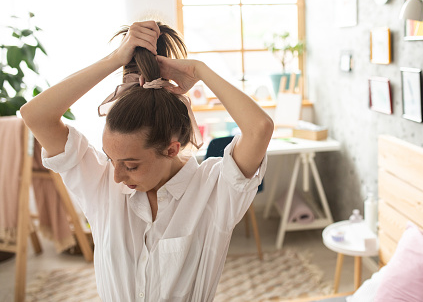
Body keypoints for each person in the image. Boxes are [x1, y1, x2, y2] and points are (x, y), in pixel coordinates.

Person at [20, 20, 274, 301]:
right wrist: (114, 60)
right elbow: (35, 116)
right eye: (110, 159)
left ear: (171, 149)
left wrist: (199, 71)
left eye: (130, 165)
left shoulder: (215, 191)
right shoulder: (102, 188)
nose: (116, 176)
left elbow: (260, 128)